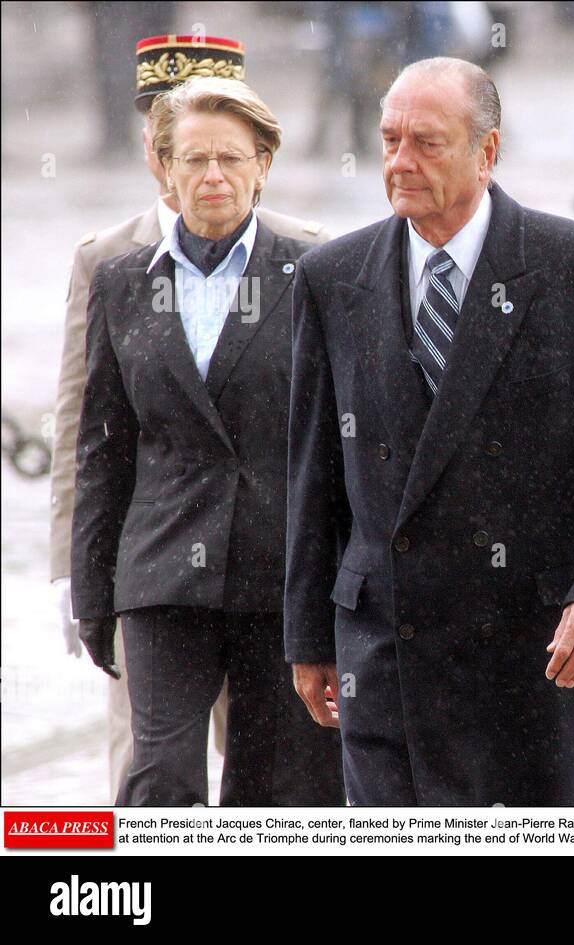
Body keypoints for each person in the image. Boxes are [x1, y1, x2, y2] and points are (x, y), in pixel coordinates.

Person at [284, 57, 574, 806]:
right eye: (389, 139)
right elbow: (314, 471)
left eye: (427, 143)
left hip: (545, 649)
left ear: (487, 152)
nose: (400, 161)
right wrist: (308, 635)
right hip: (390, 653)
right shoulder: (331, 278)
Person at [48, 33, 329, 801]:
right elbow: (94, 435)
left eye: (230, 156)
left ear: (261, 163)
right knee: (156, 773)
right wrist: (82, 580)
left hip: (275, 570)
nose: (211, 174)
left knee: (273, 783)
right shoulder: (114, 272)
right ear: (160, 166)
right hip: (163, 569)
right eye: (191, 156)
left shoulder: (313, 267)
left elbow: (341, 434)